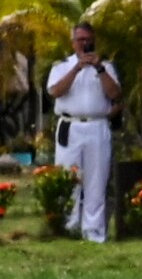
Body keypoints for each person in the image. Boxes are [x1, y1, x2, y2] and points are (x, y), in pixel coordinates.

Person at [47, 22, 121, 243]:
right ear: (73, 42)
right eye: (81, 40)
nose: (85, 44)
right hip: (71, 125)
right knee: (68, 178)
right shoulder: (62, 65)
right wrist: (77, 68)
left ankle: (94, 231)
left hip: (97, 126)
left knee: (96, 180)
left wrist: (99, 69)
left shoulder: (106, 66)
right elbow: (55, 91)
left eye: (89, 39)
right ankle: (69, 227)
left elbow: (115, 94)